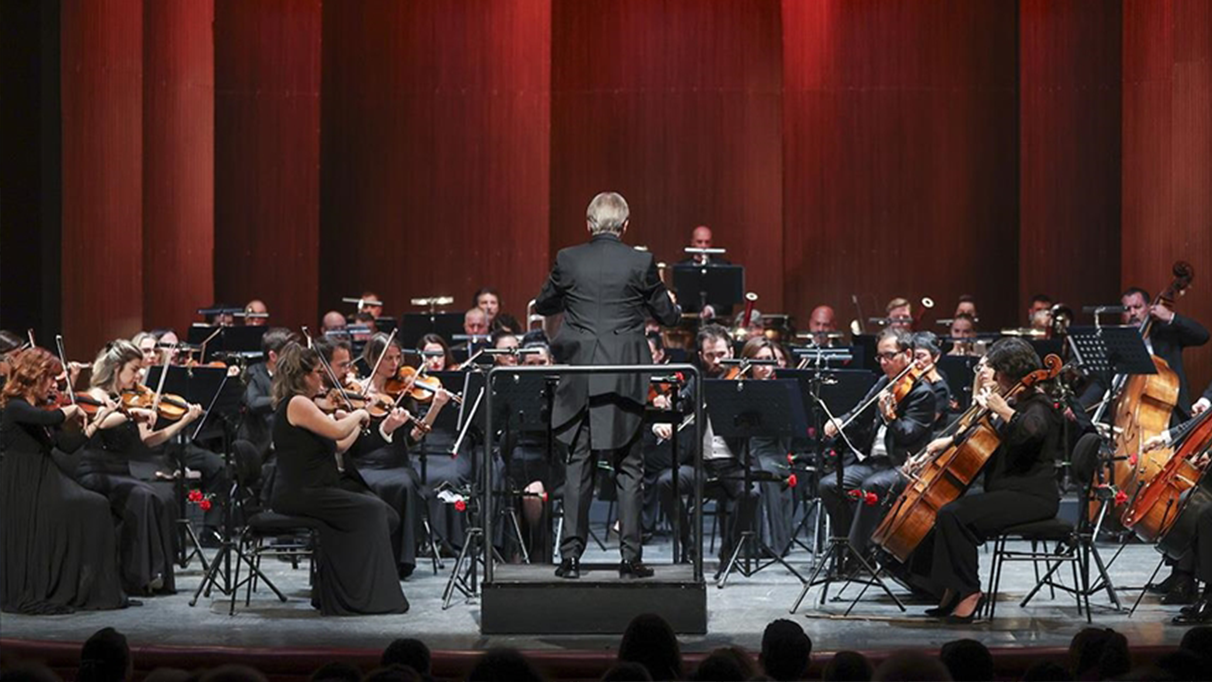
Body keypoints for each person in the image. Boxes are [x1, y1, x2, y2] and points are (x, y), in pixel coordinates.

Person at [534, 191, 680, 579]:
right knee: (629, 467)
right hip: (623, 374)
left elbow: (545, 304)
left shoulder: (568, 259)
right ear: (626, 225)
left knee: (577, 467)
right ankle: (630, 559)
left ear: (588, 223)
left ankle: (570, 559)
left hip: (579, 374)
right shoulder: (641, 261)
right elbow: (668, 317)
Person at [914, 338, 1061, 623]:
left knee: (953, 515)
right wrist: (950, 439)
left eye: (996, 370)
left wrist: (1001, 409)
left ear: (1008, 372)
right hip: (1008, 492)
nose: (993, 375)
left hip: (1033, 498)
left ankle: (969, 592)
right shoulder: (1015, 401)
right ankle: (952, 588)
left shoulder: (1039, 405)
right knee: (945, 512)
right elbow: (981, 435)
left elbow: (1032, 432)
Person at [269, 342, 408, 615]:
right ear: (303, 375)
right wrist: (359, 413)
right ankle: (362, 599)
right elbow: (335, 431)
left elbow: (340, 445)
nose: (322, 378)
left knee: (382, 514)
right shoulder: (297, 403)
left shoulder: (306, 404)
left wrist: (356, 421)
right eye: (318, 373)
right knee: (372, 510)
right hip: (302, 492)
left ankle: (342, 592)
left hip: (317, 488)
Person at [0, 348, 128, 614]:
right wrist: (71, 410)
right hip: (24, 482)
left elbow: (67, 446)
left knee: (96, 506)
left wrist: (96, 421)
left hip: (45, 479)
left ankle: (89, 588)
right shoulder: (15, 407)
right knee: (89, 508)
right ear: (34, 376)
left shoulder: (38, 407)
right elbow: (50, 418)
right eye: (50, 378)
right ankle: (67, 584)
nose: (55, 383)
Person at [82, 340, 207, 596]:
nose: (140, 374)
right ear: (117, 368)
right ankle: (138, 576)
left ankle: (155, 573)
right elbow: (101, 422)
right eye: (134, 369)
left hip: (120, 472)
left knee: (159, 496)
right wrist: (132, 412)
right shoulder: (98, 396)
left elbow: (149, 440)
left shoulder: (132, 398)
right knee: (144, 495)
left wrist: (183, 421)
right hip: (95, 472)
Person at [821, 327, 935, 562]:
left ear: (908, 354)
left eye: (889, 356)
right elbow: (859, 412)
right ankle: (845, 548)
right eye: (880, 357)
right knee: (829, 485)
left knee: (872, 486)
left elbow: (909, 435)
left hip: (902, 465)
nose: (883, 362)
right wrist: (839, 421)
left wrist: (891, 416)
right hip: (873, 463)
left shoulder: (923, 393)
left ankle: (855, 557)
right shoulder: (884, 382)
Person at [654, 324, 758, 566]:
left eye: (722, 354)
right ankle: (689, 546)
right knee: (666, 482)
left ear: (731, 351)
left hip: (734, 464)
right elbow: (680, 406)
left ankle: (728, 551)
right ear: (701, 356)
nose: (717, 361)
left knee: (751, 493)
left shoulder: (743, 383)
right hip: (702, 465)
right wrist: (664, 419)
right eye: (710, 355)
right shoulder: (697, 381)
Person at [237, 328, 298, 462]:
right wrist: (286, 400)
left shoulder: (292, 375)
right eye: (289, 353)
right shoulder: (253, 374)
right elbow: (254, 403)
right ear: (273, 356)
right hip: (262, 447)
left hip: (285, 443)